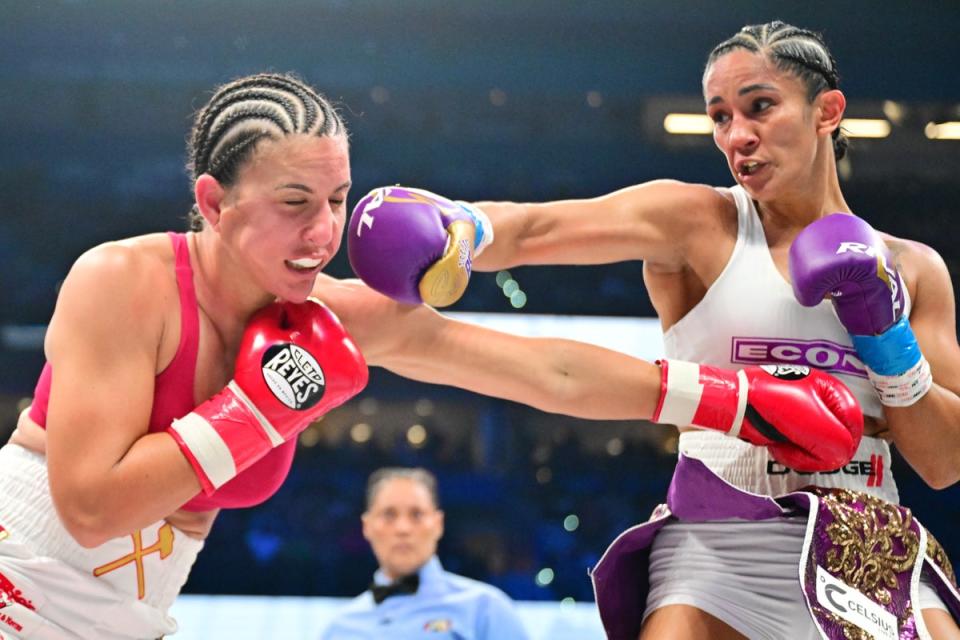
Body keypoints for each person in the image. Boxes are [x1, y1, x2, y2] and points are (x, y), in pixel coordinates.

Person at [0, 71, 861, 640]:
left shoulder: (332, 315)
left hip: (134, 616)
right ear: (215, 204)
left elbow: (535, 369)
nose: (323, 233)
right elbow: (89, 509)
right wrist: (259, 407)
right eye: (294, 202)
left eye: (336, 199)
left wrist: (727, 399)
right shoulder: (122, 282)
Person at [346, 22, 960, 640]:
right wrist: (462, 226)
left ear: (827, 111)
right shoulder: (699, 221)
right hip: (719, 538)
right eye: (720, 117)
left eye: (760, 106)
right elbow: (537, 230)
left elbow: (942, 463)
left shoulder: (912, 268)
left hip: (866, 537)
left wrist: (886, 336)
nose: (737, 136)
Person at [319, 467, 530, 640]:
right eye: (389, 515)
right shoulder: (340, 628)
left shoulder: (485, 609)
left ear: (438, 524)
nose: (403, 528)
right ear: (367, 526)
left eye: (417, 514)